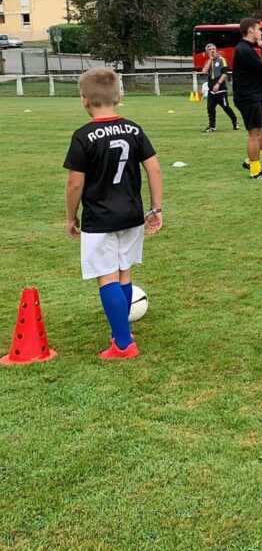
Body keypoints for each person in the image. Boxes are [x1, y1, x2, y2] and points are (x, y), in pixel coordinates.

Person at [63, 68, 163, 360]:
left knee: (106, 277)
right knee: (124, 272)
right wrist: (155, 208)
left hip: (100, 219)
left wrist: (71, 217)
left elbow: (75, 182)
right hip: (132, 215)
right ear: (118, 96)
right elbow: (154, 168)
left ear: (84, 100)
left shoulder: (83, 136)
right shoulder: (133, 129)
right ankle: (123, 331)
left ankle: (122, 344)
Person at [233, 17, 262, 180]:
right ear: (251, 30)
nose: (261, 32)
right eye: (259, 29)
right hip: (248, 97)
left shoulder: (249, 48)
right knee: (255, 134)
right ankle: (255, 171)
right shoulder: (243, 50)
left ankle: (249, 161)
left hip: (257, 96)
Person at [201, 43, 239, 132]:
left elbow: (225, 73)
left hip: (221, 89)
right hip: (211, 91)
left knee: (225, 107)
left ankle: (235, 121)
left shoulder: (222, 60)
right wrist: (210, 60)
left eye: (213, 49)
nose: (212, 51)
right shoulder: (208, 61)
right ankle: (212, 126)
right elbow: (204, 71)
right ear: (207, 52)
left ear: (216, 49)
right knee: (210, 108)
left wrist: (218, 84)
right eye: (210, 49)